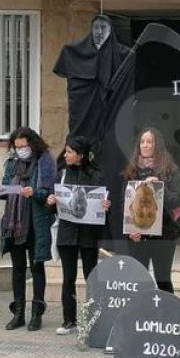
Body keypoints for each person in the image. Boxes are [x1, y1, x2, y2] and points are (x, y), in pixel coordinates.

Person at [0, 127, 56, 331]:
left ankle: (36, 314)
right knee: (18, 268)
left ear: (32, 144)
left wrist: (35, 192)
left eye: (24, 146)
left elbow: (49, 192)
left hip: (35, 222)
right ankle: (18, 313)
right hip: (14, 224)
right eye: (17, 147)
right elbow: (5, 189)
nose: (21, 150)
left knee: (37, 267)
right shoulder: (12, 164)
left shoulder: (44, 160)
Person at [47, 136, 111, 335]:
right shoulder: (62, 174)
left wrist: (105, 206)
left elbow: (104, 204)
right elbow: (54, 203)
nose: (65, 155)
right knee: (68, 277)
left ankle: (94, 318)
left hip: (88, 234)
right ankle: (69, 320)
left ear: (80, 155)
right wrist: (50, 201)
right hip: (67, 232)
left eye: (69, 152)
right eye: (65, 151)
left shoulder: (96, 175)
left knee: (91, 277)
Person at [122, 127, 180, 294]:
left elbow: (177, 200)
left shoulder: (170, 170)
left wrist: (159, 188)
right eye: (142, 141)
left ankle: (166, 317)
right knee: (139, 280)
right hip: (138, 237)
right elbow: (125, 205)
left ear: (157, 145)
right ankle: (141, 317)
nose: (145, 145)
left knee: (163, 280)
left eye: (149, 141)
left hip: (164, 235)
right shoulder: (131, 171)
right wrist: (130, 231)